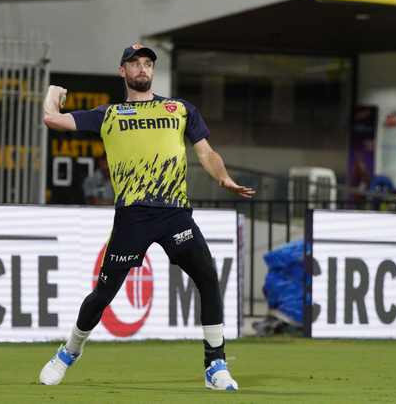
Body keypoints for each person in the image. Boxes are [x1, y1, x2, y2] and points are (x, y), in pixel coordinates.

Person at [39, 44, 254, 390]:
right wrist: (52, 93)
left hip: (174, 213)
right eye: (135, 63)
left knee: (207, 276)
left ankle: (215, 364)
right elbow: (52, 118)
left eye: (148, 64)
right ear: (122, 71)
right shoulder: (108, 114)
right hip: (133, 216)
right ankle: (69, 351)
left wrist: (223, 177)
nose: (142, 68)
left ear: (153, 71)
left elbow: (206, 152)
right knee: (103, 295)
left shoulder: (180, 109)